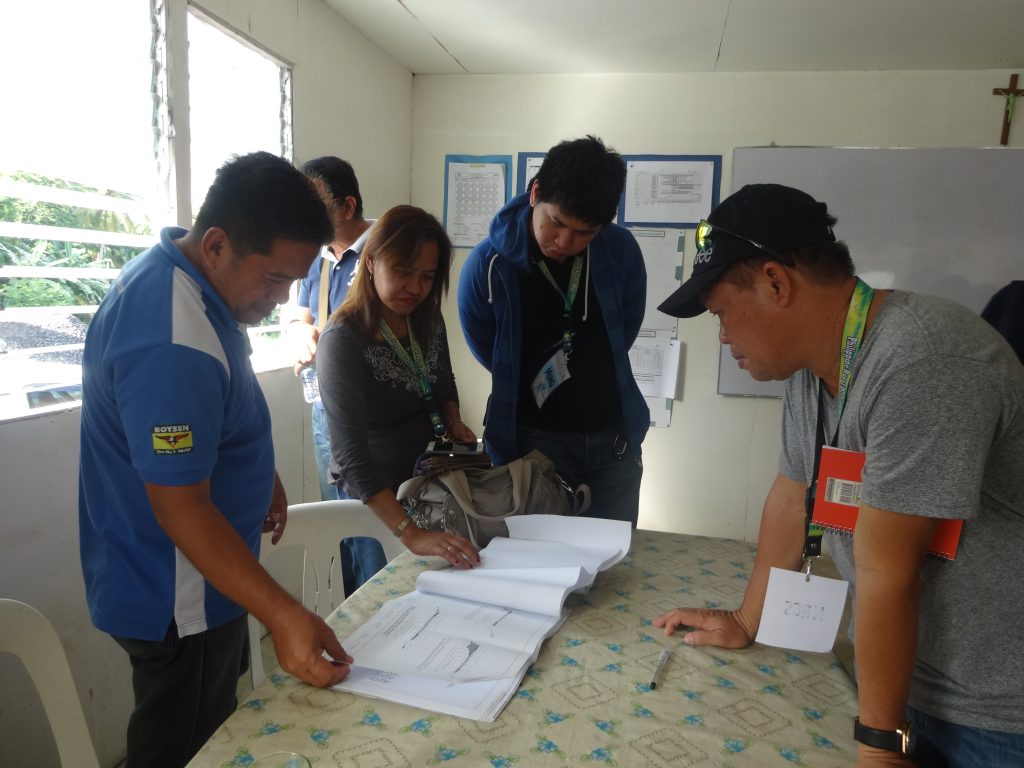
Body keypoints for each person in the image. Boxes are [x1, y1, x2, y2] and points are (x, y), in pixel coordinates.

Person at [653, 183, 1024, 767]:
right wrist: (748, 618)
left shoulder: (923, 362)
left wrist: (878, 745)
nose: (722, 336)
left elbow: (886, 573)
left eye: (723, 313)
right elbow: (790, 495)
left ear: (776, 283)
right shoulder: (814, 367)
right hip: (908, 679)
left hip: (997, 710)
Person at [78, 152, 353, 768]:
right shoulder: (170, 336)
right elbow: (182, 510)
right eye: (274, 279)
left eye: (293, 281)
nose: (283, 298)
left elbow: (214, 410)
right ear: (219, 244)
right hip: (179, 596)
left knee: (205, 725)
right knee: (191, 745)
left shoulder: (193, 285)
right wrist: (283, 613)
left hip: (190, 583)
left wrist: (261, 473)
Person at [458, 135, 648, 526]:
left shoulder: (620, 252)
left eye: (585, 233)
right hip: (532, 445)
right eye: (556, 223)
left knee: (614, 563)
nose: (565, 242)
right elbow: (486, 348)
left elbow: (622, 336)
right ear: (535, 193)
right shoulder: (489, 265)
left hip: (612, 442)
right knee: (536, 563)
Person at [316, 205, 482, 568]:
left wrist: (452, 419)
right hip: (376, 500)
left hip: (427, 483)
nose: (415, 288)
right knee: (380, 603)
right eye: (403, 272)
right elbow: (350, 456)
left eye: (427, 276)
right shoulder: (342, 339)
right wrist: (411, 533)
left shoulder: (426, 316)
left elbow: (442, 380)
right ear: (372, 261)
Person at [287, 156, 387, 593]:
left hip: (370, 411)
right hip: (322, 407)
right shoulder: (318, 256)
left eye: (316, 204)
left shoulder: (384, 250)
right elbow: (300, 315)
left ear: (347, 207)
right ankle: (350, 620)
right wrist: (299, 333)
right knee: (337, 524)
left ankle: (381, 614)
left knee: (371, 525)